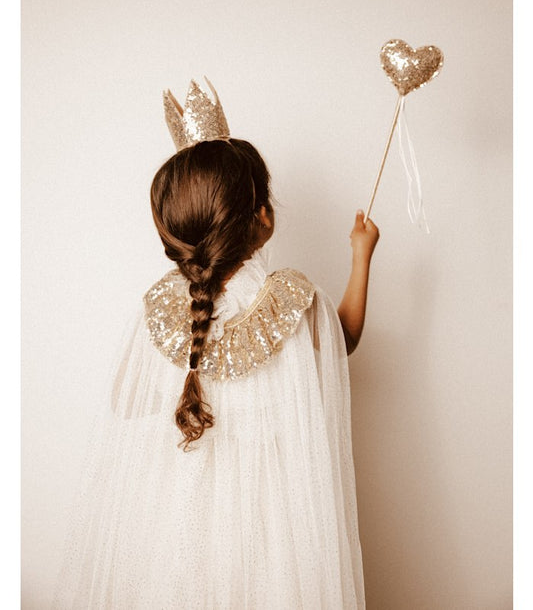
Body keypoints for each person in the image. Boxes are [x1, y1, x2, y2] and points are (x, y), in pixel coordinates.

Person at [51, 77, 379, 609]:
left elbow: (126, 402)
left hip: (180, 505)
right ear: (261, 216)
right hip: (270, 507)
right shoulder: (287, 297)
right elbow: (344, 341)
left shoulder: (161, 307)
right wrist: (361, 256)